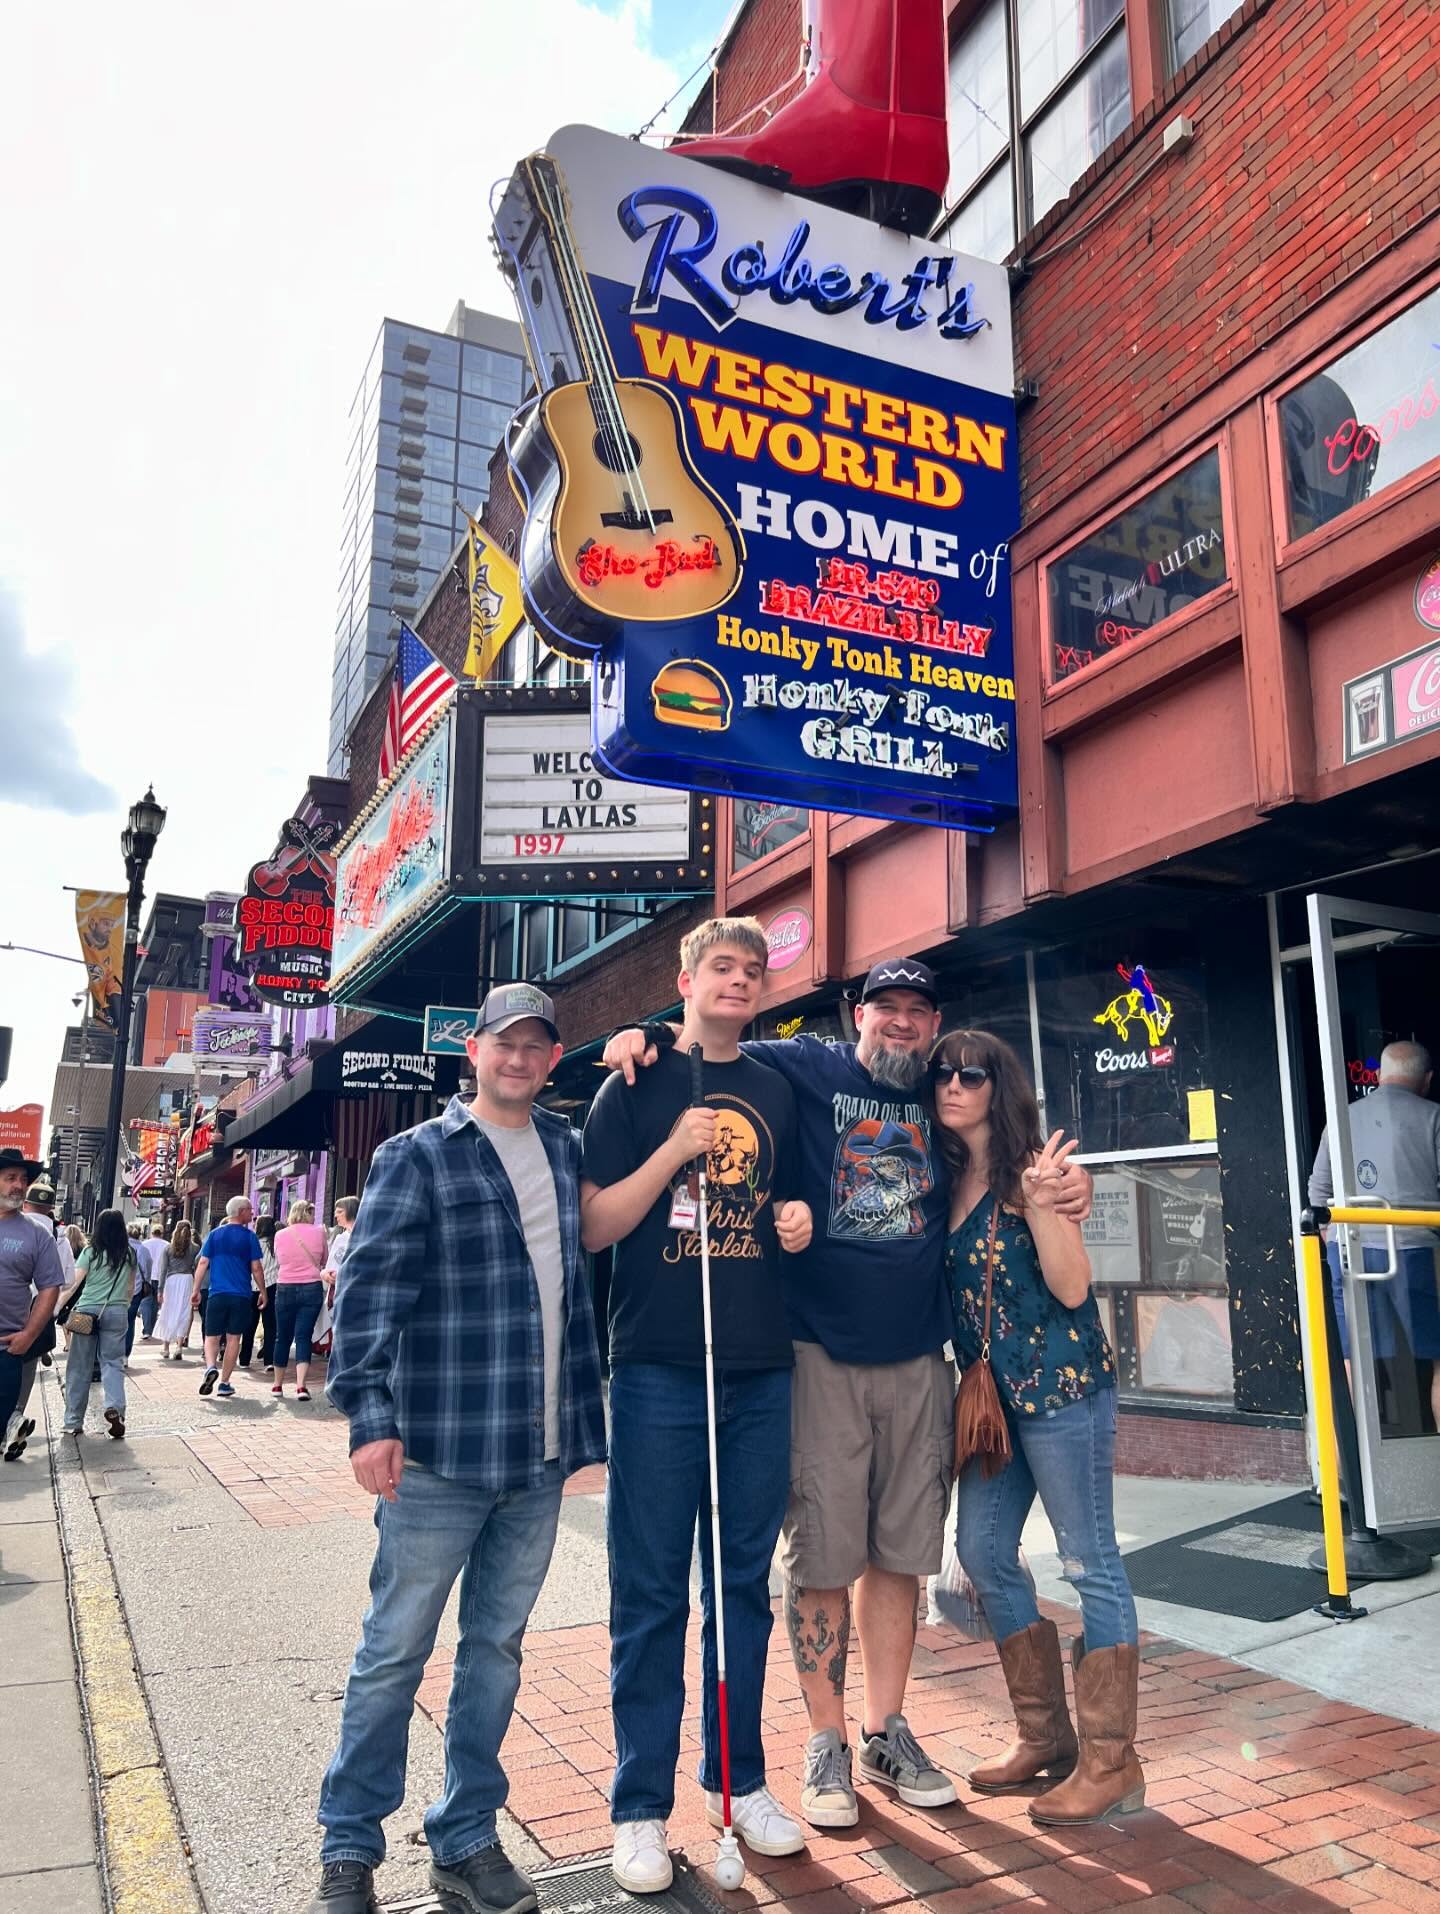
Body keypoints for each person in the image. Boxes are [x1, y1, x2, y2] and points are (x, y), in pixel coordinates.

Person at [603, 958, 1092, 1827]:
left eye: (917, 1010)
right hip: (818, 1356)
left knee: (898, 1556)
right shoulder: (806, 1066)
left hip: (919, 1363)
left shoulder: (944, 1097)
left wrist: (1064, 1190)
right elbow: (711, 1043)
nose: (901, 1023)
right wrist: (645, 1032)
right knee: (823, 1557)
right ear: (854, 1013)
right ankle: (824, 1744)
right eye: (885, 1007)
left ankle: (884, 1729)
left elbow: (1003, 1168)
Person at [311, 983, 606, 1914]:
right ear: (471, 1049)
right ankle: (349, 1849)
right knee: (394, 1650)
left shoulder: (567, 1149)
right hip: (438, 1448)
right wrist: (369, 1418)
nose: (518, 1058)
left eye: (536, 1046)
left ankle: (466, 1835)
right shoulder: (416, 1156)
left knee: (497, 1650)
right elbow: (369, 1295)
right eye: (503, 1043)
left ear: (553, 1059)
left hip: (538, 1456)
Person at [582, 919, 813, 1892]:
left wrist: (798, 1222)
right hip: (659, 1370)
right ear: (685, 980)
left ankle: (741, 1779)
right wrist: (671, 1146)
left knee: (742, 1589)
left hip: (759, 1369)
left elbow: (791, 1204)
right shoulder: (628, 1083)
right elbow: (596, 1225)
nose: (740, 981)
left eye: (754, 971)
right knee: (647, 1593)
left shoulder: (774, 1085)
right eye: (723, 967)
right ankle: (638, 1806)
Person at [933, 1028, 1143, 1825]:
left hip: (1062, 1395)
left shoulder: (1031, 1176)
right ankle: (1046, 1737)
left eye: (970, 1075)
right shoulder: (940, 1176)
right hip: (993, 1410)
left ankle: (1111, 1762)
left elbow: (1071, 1286)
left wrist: (1051, 1200)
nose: (953, 1086)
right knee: (983, 1552)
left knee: (1089, 1560)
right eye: (942, 1075)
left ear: (1000, 1085)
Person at [1309, 1038, 1440, 1433]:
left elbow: (1318, 1193)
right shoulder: (1434, 1117)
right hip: (1416, 1247)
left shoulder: (1342, 1118)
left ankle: (1355, 1469)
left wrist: (1333, 1240)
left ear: (1380, 1076)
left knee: (1355, 1360)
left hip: (1350, 1251)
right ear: (1427, 1080)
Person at [3, 1178, 75, 1460]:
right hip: (35, 1317)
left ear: (27, 1202)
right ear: (49, 1208)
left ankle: (11, 1423)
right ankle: (14, 1418)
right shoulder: (58, 1237)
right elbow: (66, 1280)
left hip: (16, 1316)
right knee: (23, 1372)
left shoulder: (26, 1229)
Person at [62, 1210, 140, 1440]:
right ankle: (115, 1407)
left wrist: (56, 1307)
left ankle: (73, 1421)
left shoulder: (90, 1252)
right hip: (116, 1311)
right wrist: (123, 1306)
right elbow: (130, 1288)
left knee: (78, 1366)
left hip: (86, 1311)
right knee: (113, 1363)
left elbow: (73, 1283)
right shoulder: (130, 1254)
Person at [192, 1196, 266, 1399]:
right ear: (241, 1211)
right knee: (234, 1338)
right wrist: (263, 1292)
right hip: (241, 1295)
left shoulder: (214, 1235)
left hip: (217, 1293)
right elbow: (256, 1268)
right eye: (250, 1210)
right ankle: (224, 1382)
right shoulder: (249, 1237)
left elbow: (203, 1263)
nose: (252, 1213)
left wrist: (196, 1289)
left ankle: (210, 1367)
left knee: (211, 1336)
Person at [271, 1198, 330, 1400]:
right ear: (308, 1213)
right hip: (311, 1287)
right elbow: (324, 1259)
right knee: (303, 1336)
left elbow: (279, 1260)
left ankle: (277, 1385)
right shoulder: (319, 1232)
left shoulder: (280, 1234)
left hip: (285, 1286)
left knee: (283, 1336)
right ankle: (300, 1386)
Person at [155, 1221, 199, 1358]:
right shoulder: (195, 1248)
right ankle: (179, 1346)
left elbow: (162, 1270)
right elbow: (197, 1267)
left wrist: (160, 1290)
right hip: (187, 1280)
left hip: (171, 1281)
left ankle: (166, 1347)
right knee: (184, 1312)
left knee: (168, 1311)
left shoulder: (168, 1248)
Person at [255, 1215, 280, 1370]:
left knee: (249, 1325)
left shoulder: (254, 1243)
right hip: (273, 1285)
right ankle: (269, 1361)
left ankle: (244, 1359)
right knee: (271, 1325)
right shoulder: (276, 1244)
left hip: (253, 1286)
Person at [324, 1195, 359, 1304]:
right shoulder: (341, 1237)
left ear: (350, 1211)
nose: (335, 1215)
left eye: (340, 1212)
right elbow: (330, 1264)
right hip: (336, 1293)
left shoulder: (361, 1237)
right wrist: (324, 1273)